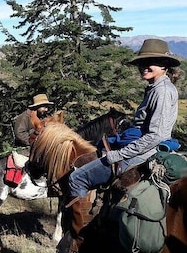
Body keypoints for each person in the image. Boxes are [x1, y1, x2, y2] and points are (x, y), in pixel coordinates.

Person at [65, 38, 181, 252]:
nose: (144, 67)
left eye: (151, 62)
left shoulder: (161, 91)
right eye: (142, 63)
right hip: (145, 149)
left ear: (164, 66)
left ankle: (79, 239)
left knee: (76, 177)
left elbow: (155, 135)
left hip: (143, 153)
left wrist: (117, 155)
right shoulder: (157, 87)